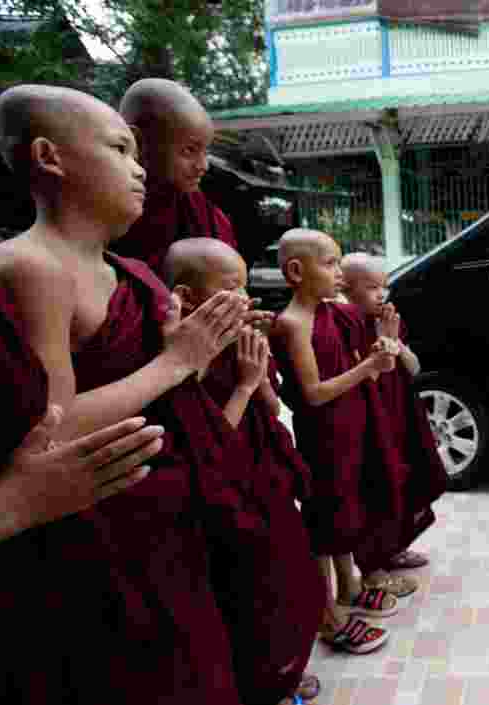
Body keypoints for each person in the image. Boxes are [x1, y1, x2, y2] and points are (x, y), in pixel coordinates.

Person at [0, 83, 253, 703]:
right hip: (97, 529)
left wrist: (206, 349)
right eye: (121, 149)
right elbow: (50, 430)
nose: (139, 169)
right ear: (50, 157)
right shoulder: (31, 267)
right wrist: (178, 361)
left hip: (165, 518)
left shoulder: (129, 271)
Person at [0, 262, 162, 704]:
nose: (143, 186)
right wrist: (6, 508)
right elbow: (55, 422)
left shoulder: (128, 272)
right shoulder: (29, 266)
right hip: (12, 556)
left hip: (63, 537)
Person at [162, 237, 326, 705]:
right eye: (231, 287)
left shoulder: (236, 342)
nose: (245, 299)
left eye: (245, 287)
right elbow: (206, 448)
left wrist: (258, 369)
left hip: (264, 484)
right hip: (223, 503)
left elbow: (273, 411)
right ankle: (265, 684)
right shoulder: (178, 362)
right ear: (189, 297)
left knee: (295, 583)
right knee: (254, 599)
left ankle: (287, 669)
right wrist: (246, 384)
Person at [270, 228, 403, 654]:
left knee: (345, 509)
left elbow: (356, 352)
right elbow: (312, 393)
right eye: (329, 264)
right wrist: (367, 368)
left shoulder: (333, 311)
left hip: (348, 428)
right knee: (323, 522)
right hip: (322, 436)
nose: (339, 273)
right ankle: (328, 613)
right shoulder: (293, 323)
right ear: (295, 271)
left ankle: (349, 588)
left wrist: (380, 346)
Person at [340, 251, 447, 578]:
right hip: (369, 418)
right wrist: (380, 344)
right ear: (347, 289)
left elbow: (414, 368)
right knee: (377, 483)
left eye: (383, 286)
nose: (381, 294)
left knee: (410, 476)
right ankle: (373, 561)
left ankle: (396, 548)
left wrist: (394, 341)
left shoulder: (386, 321)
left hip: (402, 412)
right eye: (372, 287)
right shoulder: (344, 326)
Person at [113, 78, 240, 278]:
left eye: (205, 151)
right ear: (138, 141)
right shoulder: (105, 211)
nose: (203, 166)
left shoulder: (205, 213)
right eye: (189, 151)